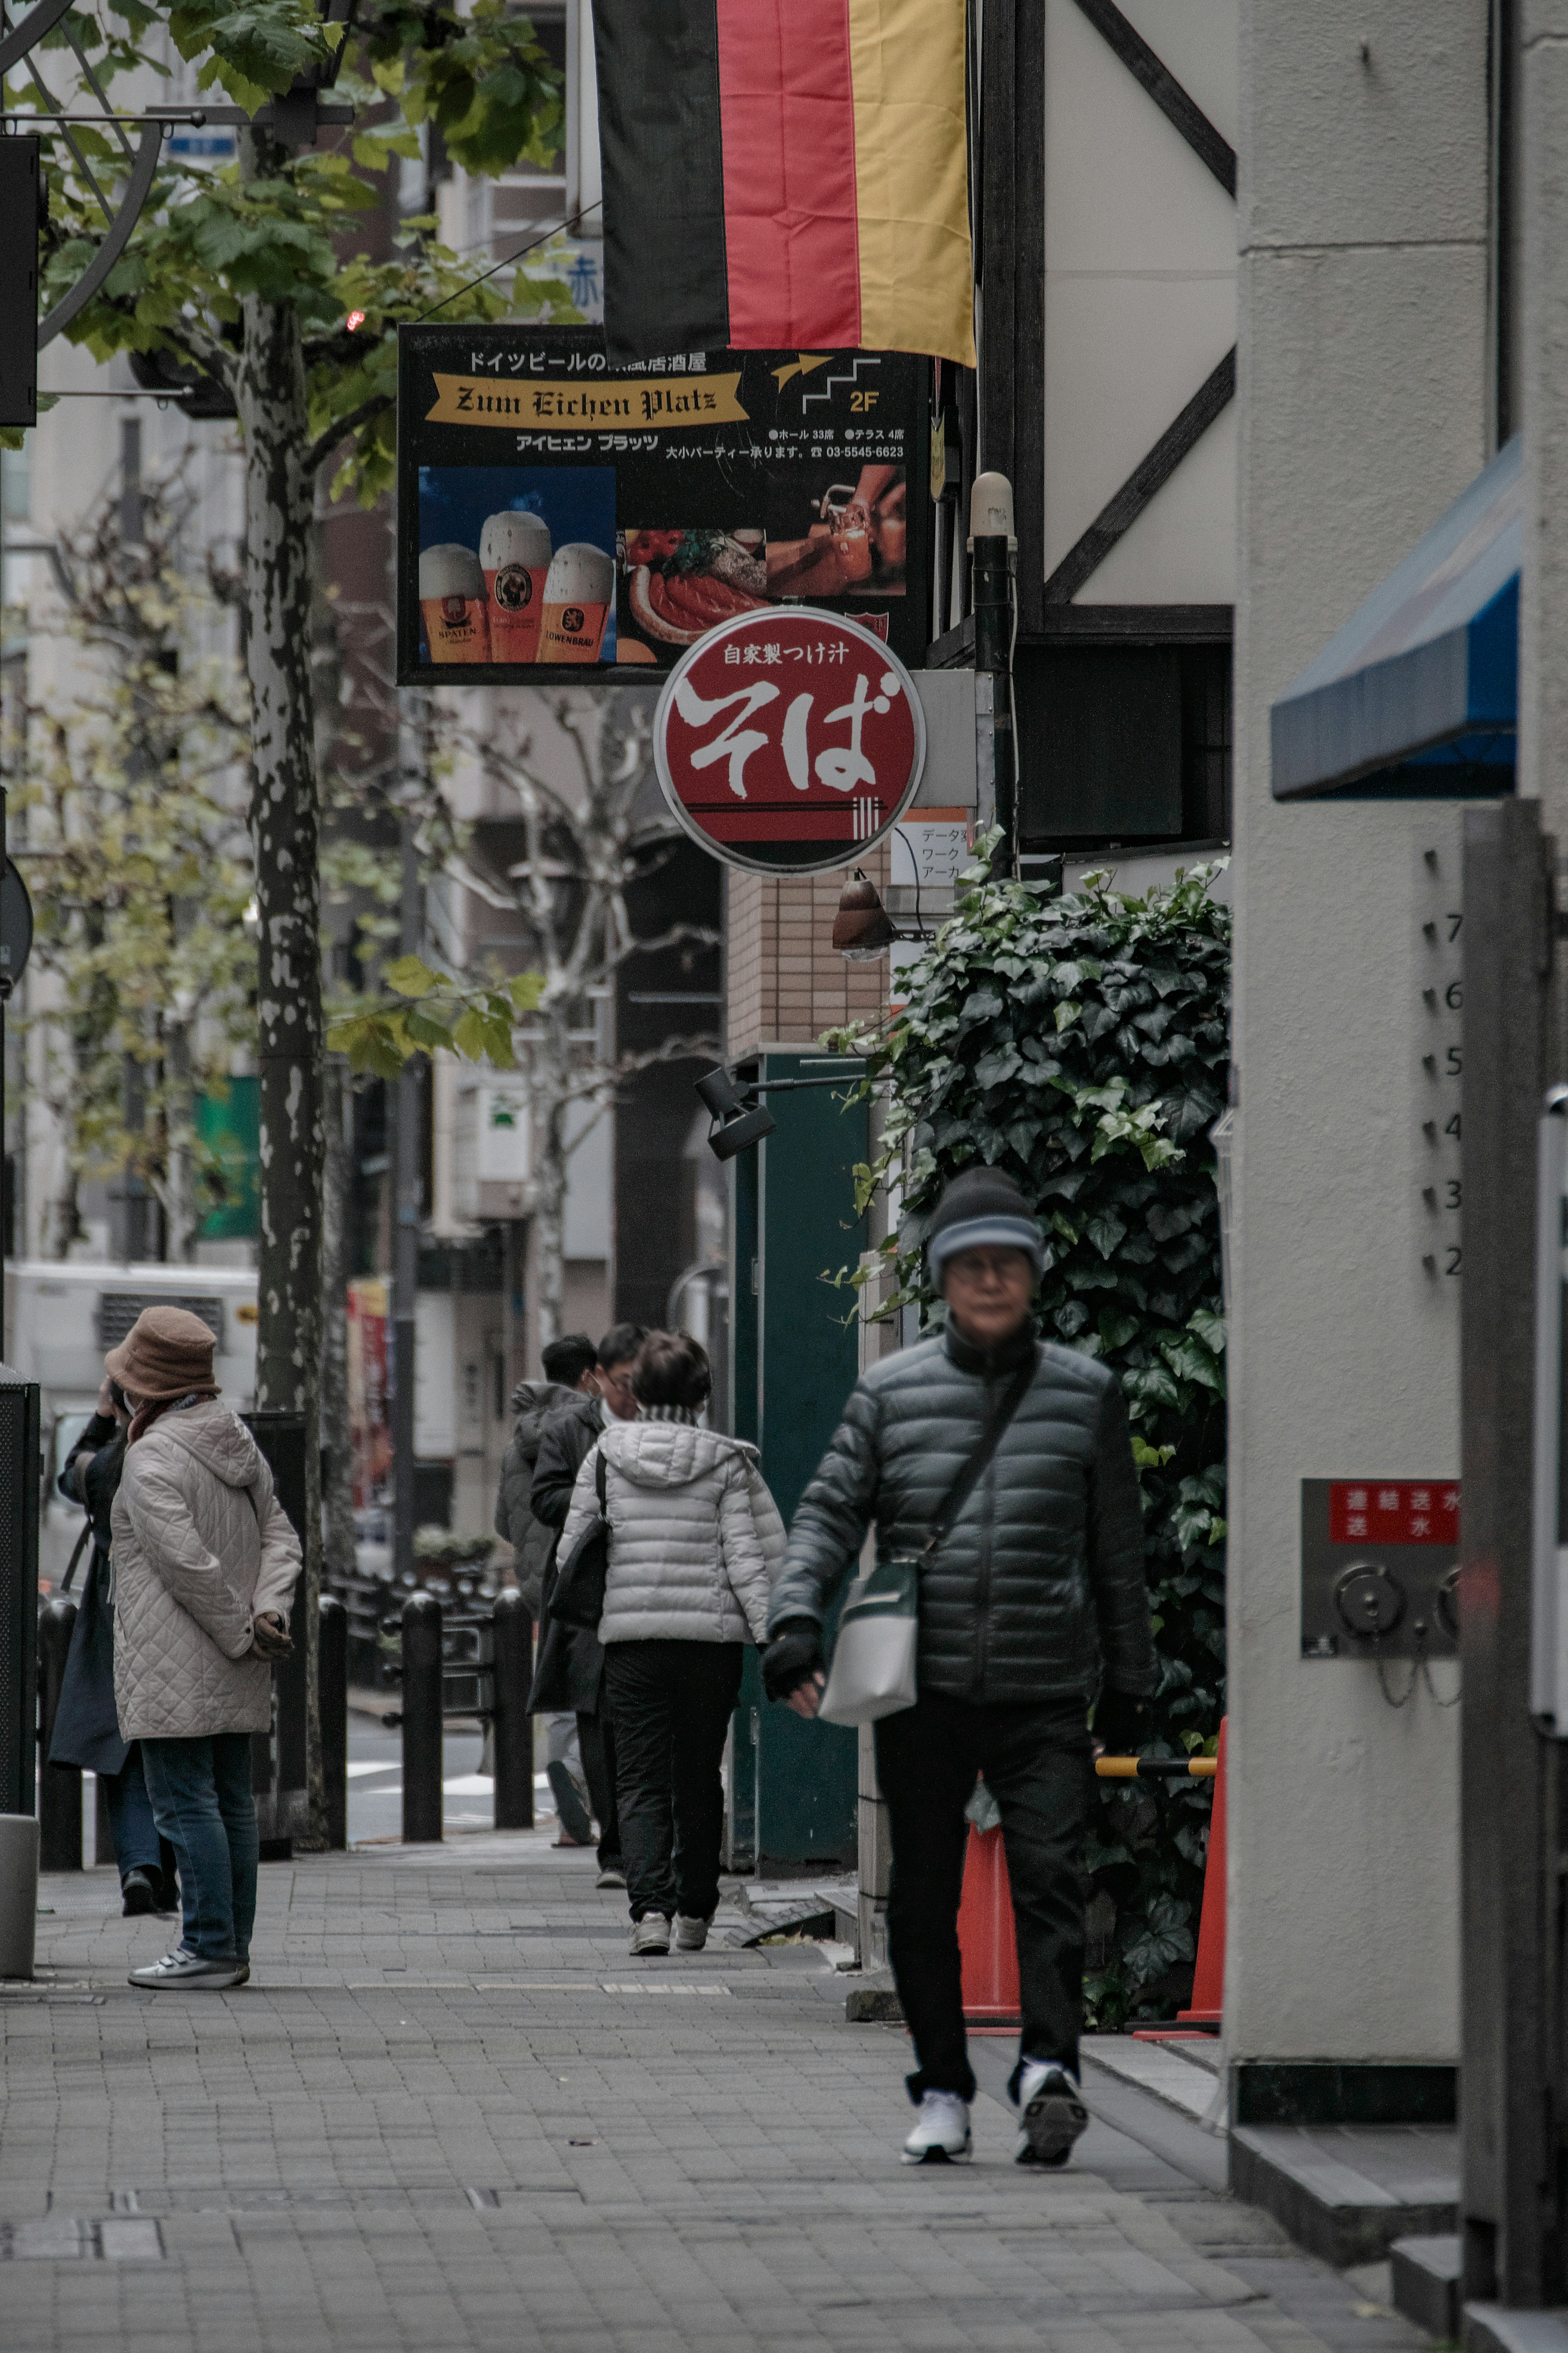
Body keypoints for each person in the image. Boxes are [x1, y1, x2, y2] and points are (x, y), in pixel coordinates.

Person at [762, 1166, 1155, 2169]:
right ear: (940, 1278)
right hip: (920, 1689)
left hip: (1043, 1689)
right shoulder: (890, 1393)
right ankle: (942, 2087)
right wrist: (794, 1621)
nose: (991, 1281)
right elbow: (825, 1515)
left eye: (1008, 1264)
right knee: (924, 1898)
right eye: (970, 1265)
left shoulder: (1087, 1394)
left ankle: (1044, 2069)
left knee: (1048, 1884)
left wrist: (1129, 1684)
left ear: (1033, 1274)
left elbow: (1117, 1554)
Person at [557, 1330, 783, 1956]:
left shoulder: (604, 1457)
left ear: (637, 1391)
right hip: (710, 1647)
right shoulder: (729, 1463)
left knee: (639, 1780)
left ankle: (649, 1912)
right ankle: (695, 1914)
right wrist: (775, 1638)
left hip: (632, 1644)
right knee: (699, 1776)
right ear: (703, 1395)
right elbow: (750, 1561)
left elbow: (571, 1550)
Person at [108, 1306, 303, 1992]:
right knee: (229, 1803)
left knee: (184, 1804)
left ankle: (209, 1944)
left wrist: (239, 1630)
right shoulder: (234, 1437)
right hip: (237, 1656)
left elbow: (184, 1565)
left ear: (147, 1385)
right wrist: (265, 1612)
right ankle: (229, 1944)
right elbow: (283, 1536)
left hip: (175, 1659)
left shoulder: (152, 1456)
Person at [47, 1377, 177, 1916]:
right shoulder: (186, 1455)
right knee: (170, 1746)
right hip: (177, 1617)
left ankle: (140, 1867)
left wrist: (104, 1415)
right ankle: (167, 1873)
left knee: (124, 1752)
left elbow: (70, 1472)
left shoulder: (108, 1467)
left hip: (114, 1617)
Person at [529, 1322, 648, 1886]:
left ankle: (639, 1843)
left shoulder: (664, 1425)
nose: (632, 1394)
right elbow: (544, 1499)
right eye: (623, 1381)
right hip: (588, 1594)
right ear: (598, 1378)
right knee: (595, 1723)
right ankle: (616, 1850)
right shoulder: (568, 1429)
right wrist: (597, 1488)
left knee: (639, 1724)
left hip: (648, 1587)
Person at [494, 1334, 600, 1850]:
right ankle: (583, 1777)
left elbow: (501, 1520)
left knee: (559, 1695)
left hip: (539, 1582)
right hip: (588, 1574)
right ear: (586, 1376)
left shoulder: (519, 1439)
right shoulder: (590, 1429)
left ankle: (567, 1822)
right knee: (601, 1691)